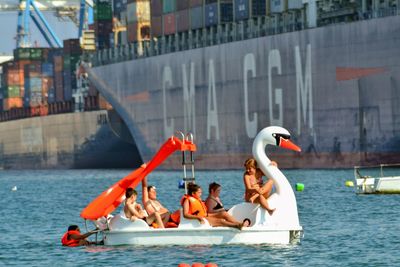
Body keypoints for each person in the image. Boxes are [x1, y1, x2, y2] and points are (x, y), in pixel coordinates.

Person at [182, 183, 250, 229]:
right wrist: (198, 218)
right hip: (201, 218)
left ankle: (239, 223)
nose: (201, 194)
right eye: (199, 193)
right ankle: (237, 226)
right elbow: (185, 214)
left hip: (205, 215)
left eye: (201, 192)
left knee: (223, 214)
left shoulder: (197, 200)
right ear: (193, 193)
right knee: (220, 221)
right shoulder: (187, 200)